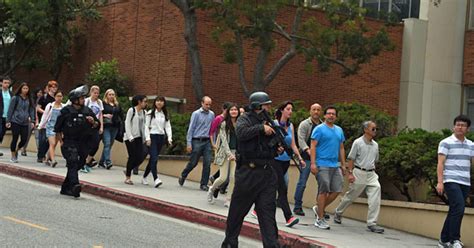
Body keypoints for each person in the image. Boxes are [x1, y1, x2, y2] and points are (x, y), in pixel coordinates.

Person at [222, 92, 281, 248]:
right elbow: (241, 134)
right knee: (237, 212)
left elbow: (269, 147)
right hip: (248, 174)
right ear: (257, 106)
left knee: (267, 213)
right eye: (266, 104)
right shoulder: (244, 119)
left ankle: (272, 245)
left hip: (267, 174)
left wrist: (277, 149)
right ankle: (230, 242)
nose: (269, 107)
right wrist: (261, 128)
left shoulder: (268, 120)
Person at [333, 121, 384, 233]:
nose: (375, 131)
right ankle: (338, 212)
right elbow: (351, 159)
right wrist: (350, 173)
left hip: (371, 174)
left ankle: (372, 223)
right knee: (351, 196)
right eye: (373, 129)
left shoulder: (376, 145)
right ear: (365, 130)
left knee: (376, 193)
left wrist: (372, 170)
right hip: (359, 172)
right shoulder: (358, 143)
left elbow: (376, 160)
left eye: (376, 129)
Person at [55, 85, 99, 198]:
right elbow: (57, 129)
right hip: (69, 141)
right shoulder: (66, 111)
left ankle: (65, 187)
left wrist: (93, 121)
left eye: (84, 98)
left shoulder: (87, 111)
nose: (83, 100)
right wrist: (61, 142)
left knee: (78, 164)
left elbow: (97, 125)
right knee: (73, 161)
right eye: (81, 98)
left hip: (83, 142)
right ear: (75, 100)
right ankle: (75, 185)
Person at [436, 115, 472, 248]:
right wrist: (440, 182)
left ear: (467, 129)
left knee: (454, 210)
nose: (459, 127)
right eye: (457, 125)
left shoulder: (471, 145)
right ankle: (454, 240)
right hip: (450, 179)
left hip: (465, 182)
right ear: (453, 127)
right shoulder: (446, 142)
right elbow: (440, 163)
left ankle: (443, 240)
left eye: (462, 125)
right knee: (459, 208)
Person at [310, 105, 346, 230]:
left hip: (335, 165)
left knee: (337, 189)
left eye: (333, 114)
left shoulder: (339, 130)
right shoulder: (319, 129)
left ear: (335, 117)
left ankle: (319, 207)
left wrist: (343, 164)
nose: (331, 115)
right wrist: (313, 163)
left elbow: (341, 147)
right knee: (323, 190)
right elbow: (313, 146)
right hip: (322, 164)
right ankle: (319, 219)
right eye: (329, 113)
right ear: (324, 115)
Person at [178, 96, 215, 191]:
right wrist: (189, 143)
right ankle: (183, 175)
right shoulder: (196, 114)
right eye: (206, 104)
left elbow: (212, 130)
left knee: (207, 163)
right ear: (202, 103)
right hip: (196, 140)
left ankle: (203, 184)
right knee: (193, 162)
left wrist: (213, 143)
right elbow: (191, 129)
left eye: (210, 104)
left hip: (207, 141)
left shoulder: (212, 114)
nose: (208, 106)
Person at [207, 103, 239, 207]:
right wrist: (229, 154)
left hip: (236, 153)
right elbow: (224, 140)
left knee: (233, 177)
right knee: (223, 177)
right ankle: (211, 189)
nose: (234, 111)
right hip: (225, 153)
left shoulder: (240, 124)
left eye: (235, 110)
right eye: (232, 110)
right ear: (228, 112)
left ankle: (228, 199)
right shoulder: (224, 124)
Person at [293, 103, 322, 216]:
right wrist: (308, 150)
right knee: (302, 182)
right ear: (310, 111)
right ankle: (297, 206)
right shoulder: (305, 124)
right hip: (306, 159)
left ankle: (320, 208)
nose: (316, 112)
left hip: (320, 159)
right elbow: (300, 139)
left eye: (318, 110)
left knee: (322, 184)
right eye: (314, 109)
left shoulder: (322, 126)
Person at [142, 96, 172, 188]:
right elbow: (146, 126)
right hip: (152, 136)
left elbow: (168, 126)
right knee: (154, 158)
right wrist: (147, 138)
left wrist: (169, 138)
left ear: (164, 103)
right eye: (158, 101)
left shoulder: (165, 114)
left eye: (161, 101)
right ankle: (156, 178)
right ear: (155, 102)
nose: (159, 103)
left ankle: (144, 176)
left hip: (161, 137)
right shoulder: (150, 113)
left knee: (152, 159)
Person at [6, 82, 35, 163]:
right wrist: (8, 121)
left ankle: (16, 150)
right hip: (15, 121)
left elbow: (32, 110)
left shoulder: (30, 99)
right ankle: (13, 156)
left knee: (24, 139)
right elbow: (10, 110)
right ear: (20, 89)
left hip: (25, 122)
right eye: (24, 88)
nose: (25, 90)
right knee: (15, 138)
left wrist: (33, 120)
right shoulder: (15, 98)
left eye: (27, 88)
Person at [123, 95, 148, 185]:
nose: (146, 103)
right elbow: (127, 123)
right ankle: (128, 178)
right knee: (132, 156)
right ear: (139, 102)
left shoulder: (144, 112)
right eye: (144, 101)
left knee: (140, 156)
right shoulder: (131, 110)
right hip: (130, 137)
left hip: (139, 137)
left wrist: (145, 138)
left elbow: (144, 126)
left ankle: (128, 169)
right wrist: (130, 137)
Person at [38, 91, 66, 167]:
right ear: (55, 97)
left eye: (61, 96)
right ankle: (53, 160)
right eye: (58, 96)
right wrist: (40, 126)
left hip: (59, 128)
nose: (59, 98)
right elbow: (45, 116)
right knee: (52, 143)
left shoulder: (63, 107)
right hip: (50, 126)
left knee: (54, 145)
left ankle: (47, 158)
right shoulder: (50, 106)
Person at [209, 102, 231, 189]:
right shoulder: (218, 118)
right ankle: (216, 183)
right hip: (220, 141)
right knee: (223, 164)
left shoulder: (231, 119)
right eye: (227, 110)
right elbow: (212, 131)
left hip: (229, 144)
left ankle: (216, 180)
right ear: (223, 109)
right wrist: (213, 144)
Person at [99, 89, 123, 169]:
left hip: (115, 126)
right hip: (106, 125)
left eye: (113, 94)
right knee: (107, 143)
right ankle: (108, 161)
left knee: (109, 145)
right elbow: (99, 114)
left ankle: (102, 161)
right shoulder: (103, 104)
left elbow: (121, 114)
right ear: (106, 95)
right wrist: (105, 115)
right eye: (110, 94)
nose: (111, 96)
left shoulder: (117, 105)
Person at [82, 85, 104, 172]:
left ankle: (88, 161)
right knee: (86, 145)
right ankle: (84, 163)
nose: (96, 95)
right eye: (94, 93)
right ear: (91, 92)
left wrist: (101, 126)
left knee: (95, 144)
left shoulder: (99, 102)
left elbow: (101, 115)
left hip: (95, 125)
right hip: (87, 126)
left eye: (98, 93)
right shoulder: (87, 101)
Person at [37, 81, 58, 163]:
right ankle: (40, 156)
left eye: (55, 87)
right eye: (52, 87)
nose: (54, 88)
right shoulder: (44, 97)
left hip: (52, 123)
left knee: (48, 140)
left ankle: (45, 155)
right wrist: (46, 113)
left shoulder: (56, 98)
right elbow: (38, 108)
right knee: (42, 140)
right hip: (44, 121)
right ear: (49, 88)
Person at [0, 76, 13, 156]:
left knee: (2, 133)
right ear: (1, 83)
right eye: (5, 82)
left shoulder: (11, 94)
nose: (6, 84)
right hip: (0, 116)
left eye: (8, 83)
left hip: (7, 117)